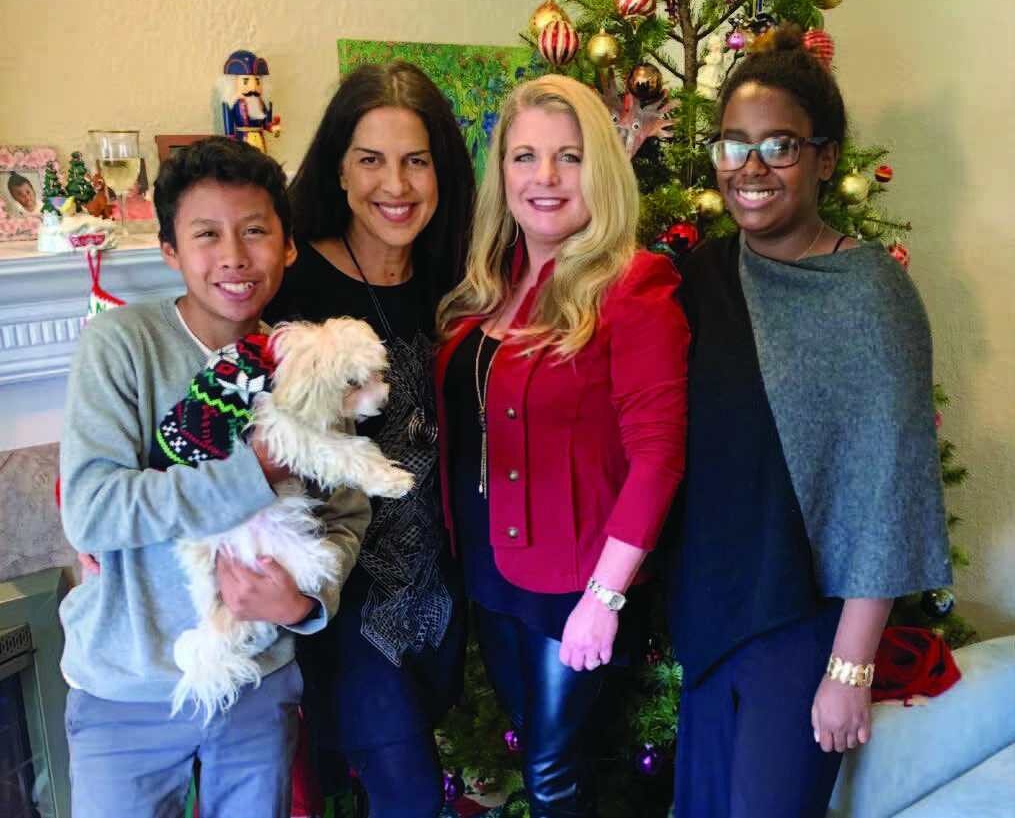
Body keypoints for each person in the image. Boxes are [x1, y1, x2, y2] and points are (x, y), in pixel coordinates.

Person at [664, 26, 952, 818]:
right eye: (732, 145)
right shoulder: (702, 276)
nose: (750, 168)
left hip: (801, 628)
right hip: (712, 614)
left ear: (826, 158)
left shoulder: (869, 295)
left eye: (779, 144)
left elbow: (887, 493)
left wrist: (848, 670)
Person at [58, 137, 369, 818]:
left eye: (255, 231)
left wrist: (305, 603)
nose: (233, 255)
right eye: (206, 234)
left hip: (256, 686)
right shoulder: (121, 345)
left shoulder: (304, 358)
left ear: (286, 246)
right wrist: (252, 472)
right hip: (125, 691)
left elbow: (346, 514)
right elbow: (92, 509)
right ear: (170, 250)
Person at [435, 74, 689, 817]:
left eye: (568, 157)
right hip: (491, 570)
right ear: (502, 174)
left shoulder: (634, 284)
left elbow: (658, 454)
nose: (543, 178)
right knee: (544, 753)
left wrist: (604, 598)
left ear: (600, 170)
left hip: (576, 581)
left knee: (552, 774)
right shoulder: (492, 282)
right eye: (524, 157)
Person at [264, 61, 475, 817]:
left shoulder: (455, 279)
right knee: (409, 795)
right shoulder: (286, 284)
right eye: (371, 159)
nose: (397, 184)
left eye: (416, 159)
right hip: (340, 594)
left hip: (440, 588)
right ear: (339, 171)